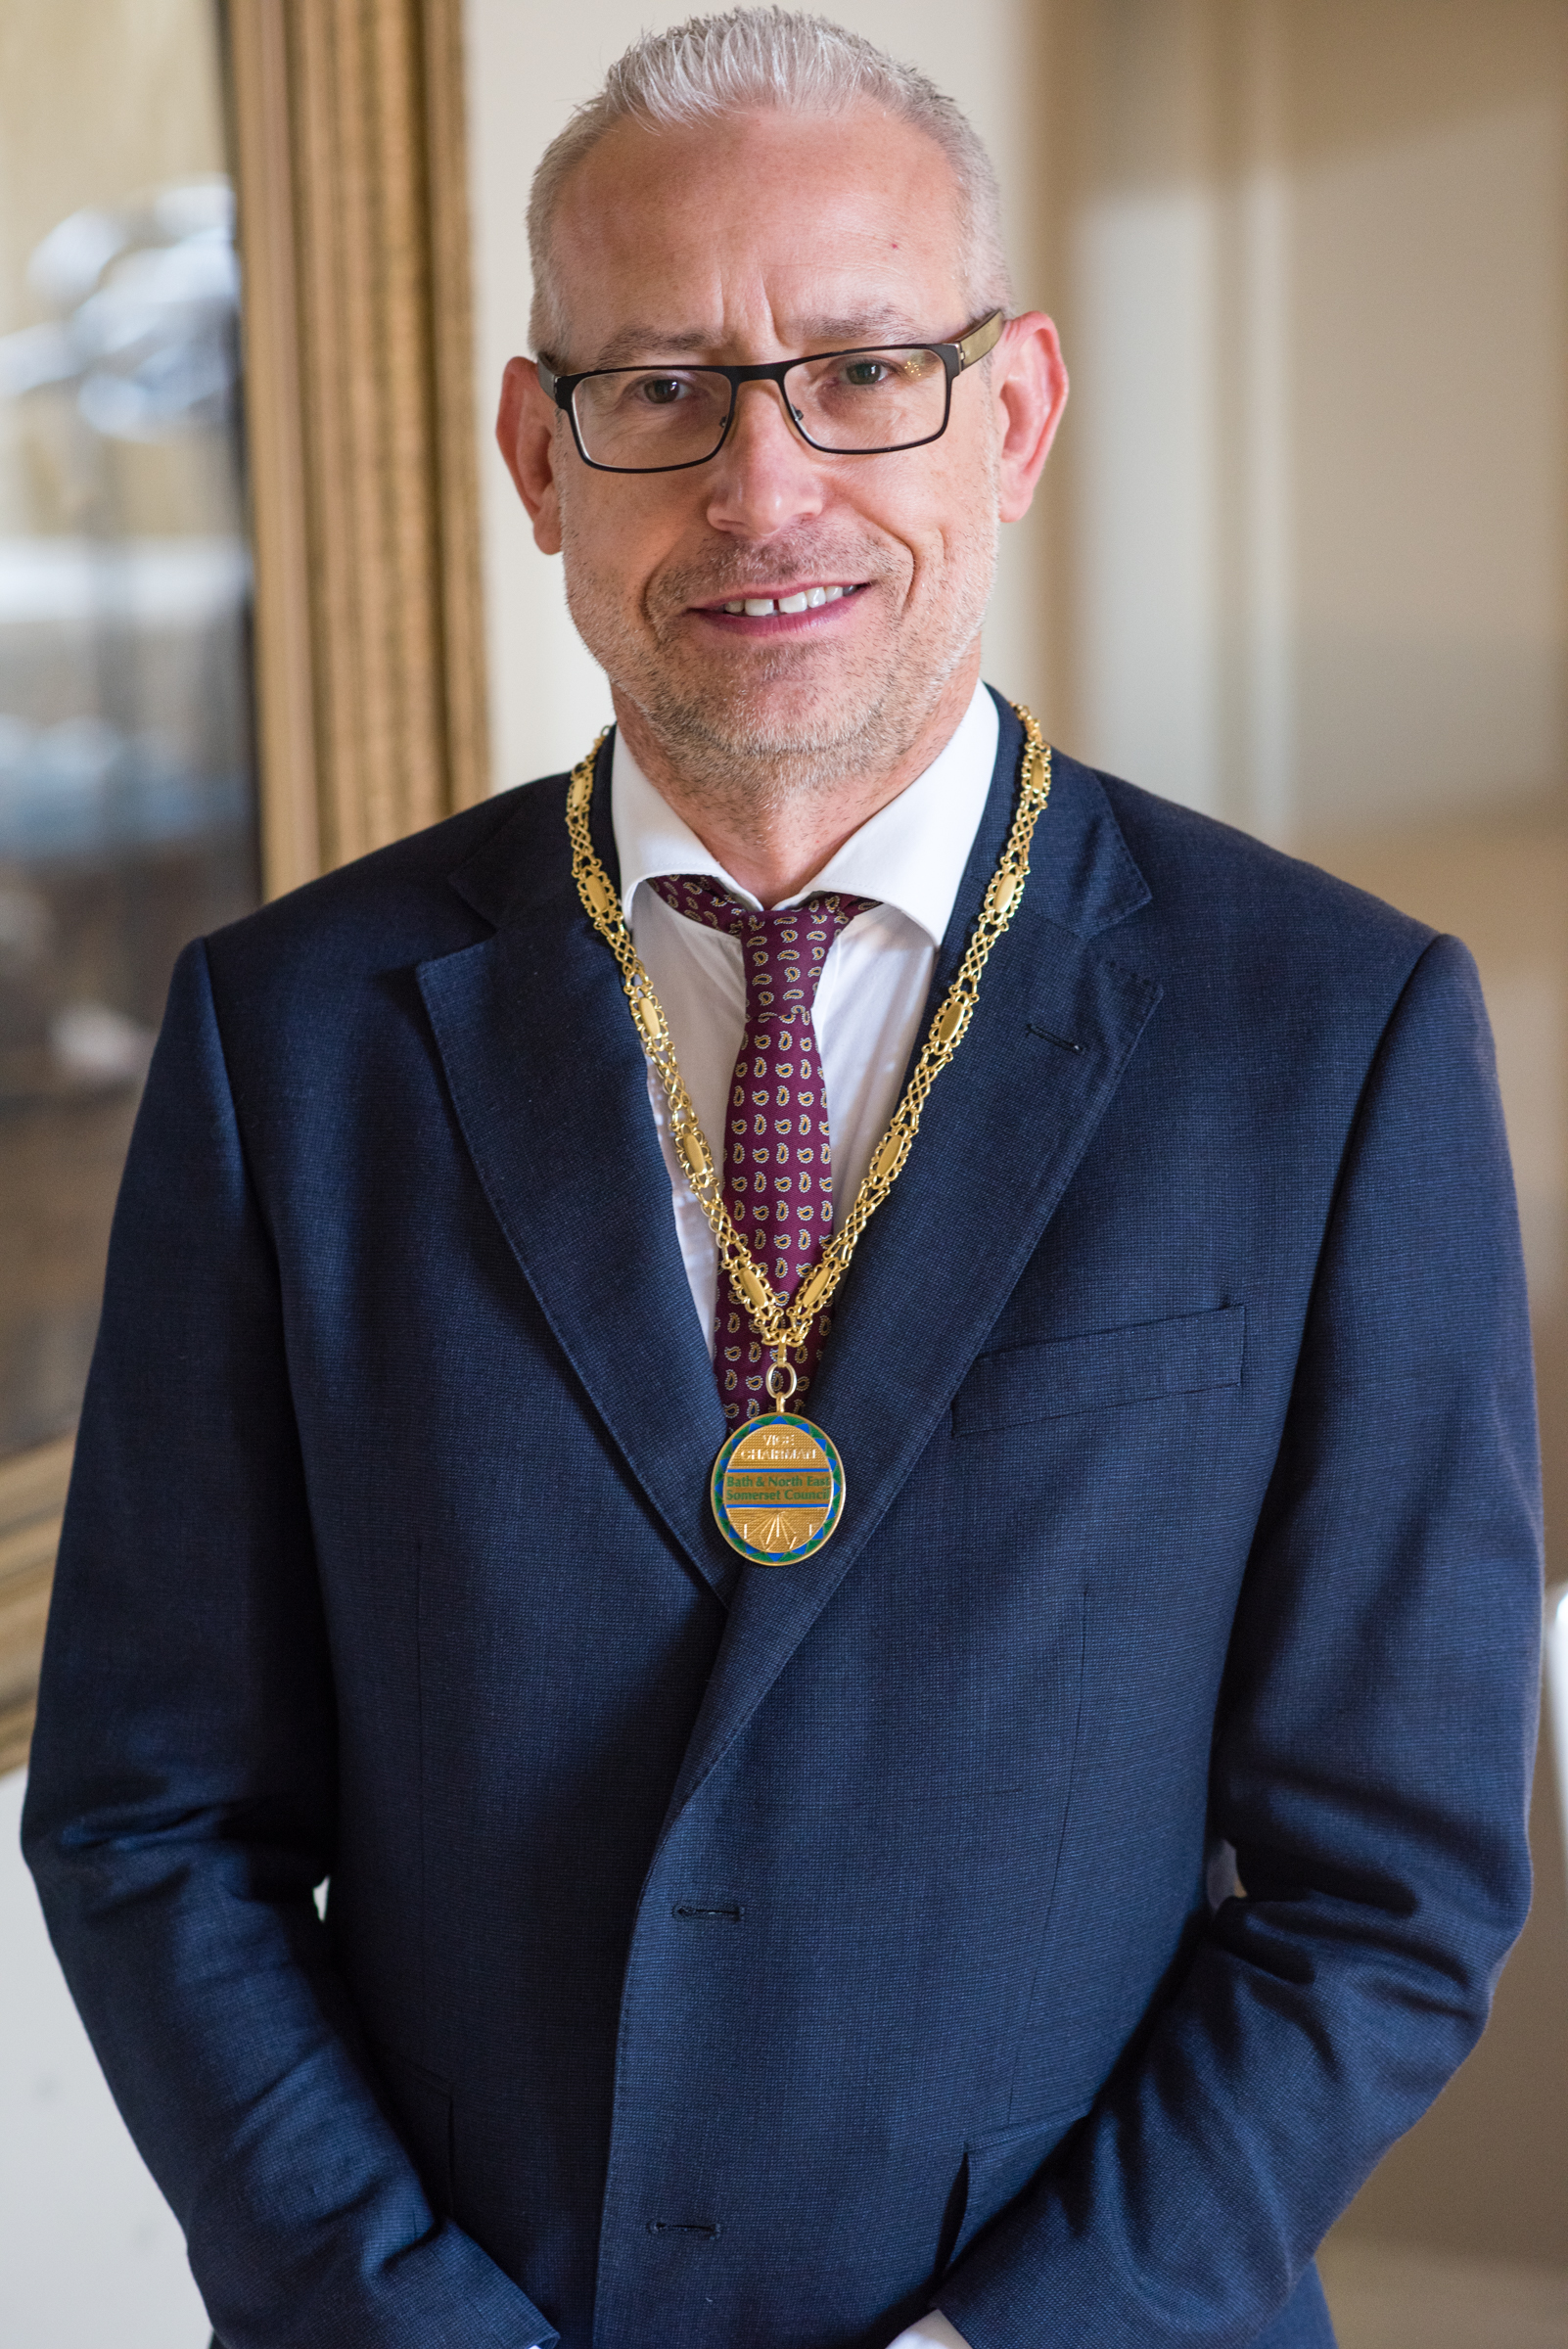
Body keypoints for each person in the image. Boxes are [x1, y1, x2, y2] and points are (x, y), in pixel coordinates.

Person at [23, 13, 1543, 2349]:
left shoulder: (1332, 1036)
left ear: (1013, 414)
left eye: (863, 373)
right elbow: (155, 1822)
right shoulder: (283, 1038)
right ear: (537, 457)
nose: (764, 486)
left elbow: (1391, 1887)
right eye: (662, 387)